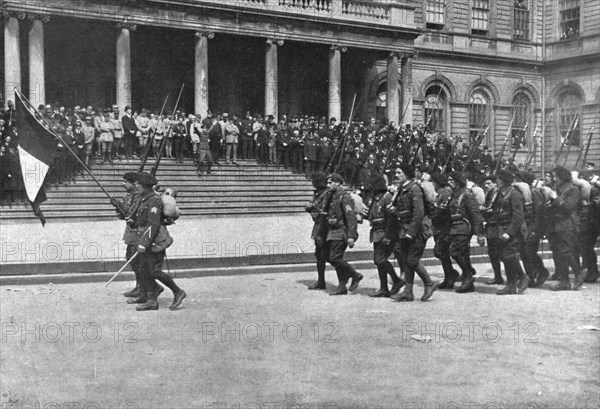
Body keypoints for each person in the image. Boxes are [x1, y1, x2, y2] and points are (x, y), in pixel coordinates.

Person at [133, 172, 186, 311]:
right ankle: (152, 300)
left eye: (138, 184)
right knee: (144, 269)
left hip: (155, 241)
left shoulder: (154, 201)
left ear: (145, 185)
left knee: (154, 271)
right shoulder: (145, 199)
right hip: (147, 238)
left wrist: (144, 243)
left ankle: (178, 291)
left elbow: (153, 224)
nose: (136, 186)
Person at [388, 164, 437, 301]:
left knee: (412, 259)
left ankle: (429, 283)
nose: (396, 175)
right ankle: (408, 292)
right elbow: (404, 211)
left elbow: (419, 213)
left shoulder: (414, 189)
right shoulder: (402, 190)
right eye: (395, 172)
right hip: (404, 229)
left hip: (417, 230)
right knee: (405, 260)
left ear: (407, 174)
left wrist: (411, 232)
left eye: (399, 172)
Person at [486, 170, 529, 295]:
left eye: (499, 180)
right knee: (505, 256)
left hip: (512, 230)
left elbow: (518, 217)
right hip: (500, 228)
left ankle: (516, 281)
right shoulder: (499, 193)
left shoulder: (515, 194)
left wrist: (509, 233)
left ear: (505, 181)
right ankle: (517, 281)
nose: (497, 182)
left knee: (508, 256)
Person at [324, 173, 363, 295]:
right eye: (328, 182)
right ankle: (342, 286)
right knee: (333, 258)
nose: (329, 185)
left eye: (331, 182)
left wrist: (351, 236)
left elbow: (350, 217)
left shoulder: (344, 197)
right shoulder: (331, 195)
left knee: (334, 257)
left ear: (339, 183)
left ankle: (355, 275)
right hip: (332, 231)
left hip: (341, 232)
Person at [546, 166, 583, 291]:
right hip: (554, 225)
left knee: (565, 252)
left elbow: (568, 208)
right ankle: (564, 281)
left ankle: (578, 273)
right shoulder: (556, 189)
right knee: (558, 253)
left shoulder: (573, 190)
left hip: (566, 225)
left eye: (556, 177)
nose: (554, 179)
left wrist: (555, 198)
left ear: (563, 177)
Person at [368, 173, 404, 297]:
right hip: (376, 232)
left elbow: (392, 219)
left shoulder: (387, 197)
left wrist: (388, 236)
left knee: (379, 259)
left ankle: (396, 280)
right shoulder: (375, 198)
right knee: (379, 262)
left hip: (386, 233)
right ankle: (383, 287)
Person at [447, 171, 484, 293]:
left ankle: (468, 276)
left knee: (455, 251)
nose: (449, 182)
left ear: (458, 182)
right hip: (454, 228)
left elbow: (476, 214)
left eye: (452, 180)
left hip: (464, 228)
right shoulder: (453, 195)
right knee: (463, 253)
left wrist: (479, 233)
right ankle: (467, 277)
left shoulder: (466, 195)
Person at [431, 173, 460, 289]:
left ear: (437, 183)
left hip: (444, 228)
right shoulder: (441, 194)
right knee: (442, 254)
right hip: (438, 228)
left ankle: (451, 275)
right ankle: (450, 275)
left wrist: (438, 209)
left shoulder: (446, 194)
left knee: (442, 252)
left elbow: (448, 211)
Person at [304, 172, 330, 290]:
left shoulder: (327, 193)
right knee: (319, 254)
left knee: (328, 256)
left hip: (325, 225)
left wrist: (312, 207)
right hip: (318, 224)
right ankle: (321, 281)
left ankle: (351, 274)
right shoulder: (319, 193)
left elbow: (323, 209)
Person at [481, 175, 504, 285]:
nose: (486, 186)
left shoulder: (499, 194)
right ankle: (498, 276)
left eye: (489, 183)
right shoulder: (489, 193)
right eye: (485, 184)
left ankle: (518, 275)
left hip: (498, 226)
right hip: (491, 226)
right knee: (492, 253)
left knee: (502, 254)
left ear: (495, 183)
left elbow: (499, 209)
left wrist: (487, 210)